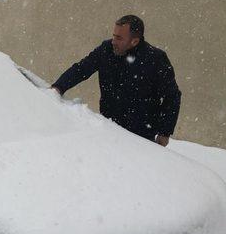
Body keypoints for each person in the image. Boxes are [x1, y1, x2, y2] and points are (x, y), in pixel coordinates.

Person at [51, 15, 181, 146]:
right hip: (109, 130)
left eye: (119, 38)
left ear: (134, 41)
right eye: (114, 36)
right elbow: (81, 69)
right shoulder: (106, 50)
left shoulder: (155, 60)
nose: (113, 41)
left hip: (142, 138)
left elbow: (172, 96)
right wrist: (59, 87)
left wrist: (165, 132)